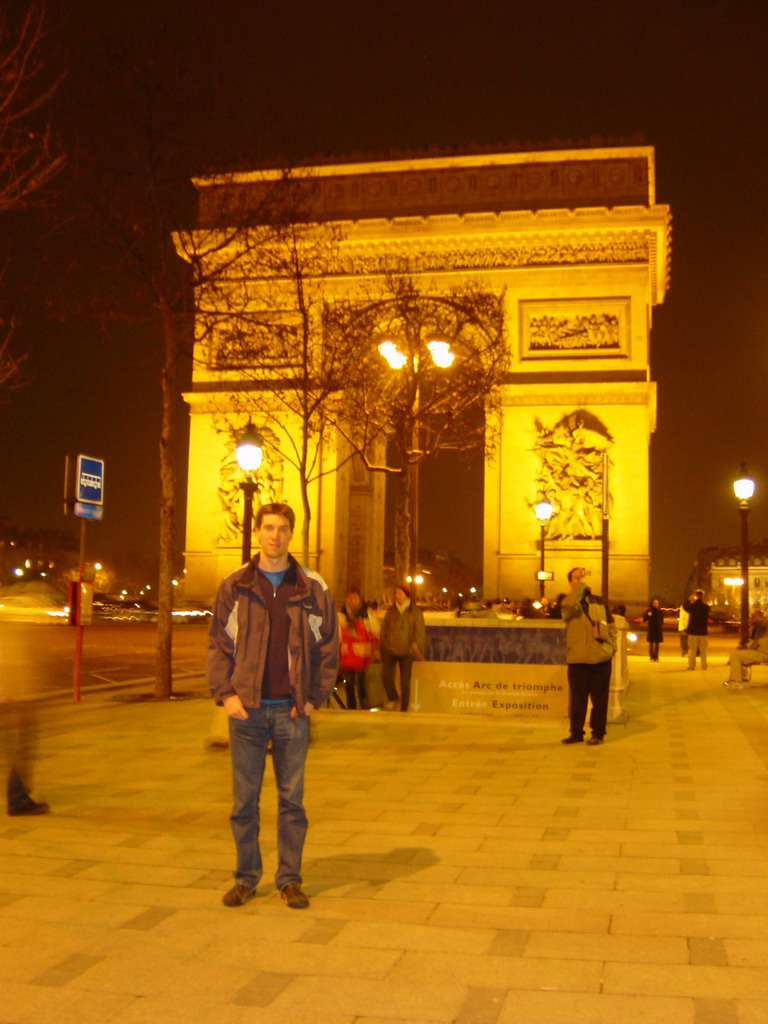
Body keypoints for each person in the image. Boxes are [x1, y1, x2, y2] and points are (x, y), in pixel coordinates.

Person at [206, 502, 339, 910]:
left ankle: (289, 879)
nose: (274, 536)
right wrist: (226, 694)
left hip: (291, 709)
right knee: (244, 802)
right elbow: (218, 644)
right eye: (268, 528)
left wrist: (314, 697)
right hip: (247, 707)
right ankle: (246, 877)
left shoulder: (314, 586)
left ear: (291, 534)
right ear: (258, 532)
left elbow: (328, 646)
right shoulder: (235, 584)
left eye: (282, 528)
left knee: (291, 802)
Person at [561, 567, 616, 746]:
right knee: (578, 700)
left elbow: (611, 624)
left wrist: (611, 647)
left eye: (582, 577)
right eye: (576, 578)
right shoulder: (566, 602)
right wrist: (579, 587)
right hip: (578, 658)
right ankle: (576, 732)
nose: (581, 579)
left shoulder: (598, 601)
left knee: (600, 700)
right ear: (570, 582)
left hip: (600, 657)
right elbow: (569, 606)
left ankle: (598, 733)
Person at [379, 583, 425, 712]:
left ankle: (404, 710)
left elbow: (419, 631)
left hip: (406, 651)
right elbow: (384, 630)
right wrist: (379, 648)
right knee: (385, 675)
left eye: (399, 593)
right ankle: (393, 697)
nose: (396, 596)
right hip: (389, 649)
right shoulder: (391, 611)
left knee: (405, 683)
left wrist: (416, 644)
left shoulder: (415, 611)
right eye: (395, 593)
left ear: (406, 596)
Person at [338, 587, 379, 709]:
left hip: (362, 655)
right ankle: (351, 708)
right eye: (350, 598)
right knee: (349, 684)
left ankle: (364, 706)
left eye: (355, 597)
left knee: (361, 683)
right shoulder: (341, 615)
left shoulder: (367, 614)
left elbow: (375, 631)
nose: (352, 600)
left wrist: (375, 649)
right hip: (347, 655)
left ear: (360, 599)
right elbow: (337, 633)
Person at [723, 609, 768, 689]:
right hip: (760, 652)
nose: (751, 618)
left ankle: (737, 681)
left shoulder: (763, 623)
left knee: (735, 655)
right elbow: (754, 641)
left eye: (753, 616)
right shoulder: (759, 629)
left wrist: (755, 620)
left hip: (763, 653)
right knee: (738, 654)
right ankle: (739, 679)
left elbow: (762, 622)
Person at [684, 590, 709, 669]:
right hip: (703, 631)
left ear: (696, 596)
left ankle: (692, 665)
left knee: (692, 650)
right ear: (702, 596)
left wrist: (690, 600)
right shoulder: (706, 607)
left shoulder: (692, 606)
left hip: (693, 631)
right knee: (703, 650)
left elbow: (685, 607)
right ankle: (704, 665)